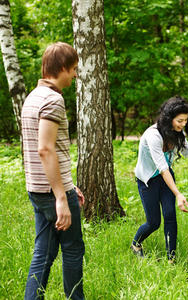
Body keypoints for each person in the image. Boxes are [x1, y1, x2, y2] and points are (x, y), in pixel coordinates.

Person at [21, 42, 85, 300]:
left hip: (37, 189)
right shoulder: (53, 99)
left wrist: (69, 185)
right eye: (73, 69)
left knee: (43, 252)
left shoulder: (33, 97)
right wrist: (61, 196)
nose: (75, 74)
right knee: (72, 249)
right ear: (61, 68)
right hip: (51, 192)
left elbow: (47, 151)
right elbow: (45, 150)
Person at [131, 96, 188, 263]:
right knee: (153, 222)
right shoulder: (153, 136)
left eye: (185, 120)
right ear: (169, 118)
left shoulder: (177, 132)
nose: (183, 124)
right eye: (179, 120)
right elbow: (162, 168)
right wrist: (178, 194)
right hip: (148, 181)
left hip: (166, 179)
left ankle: (171, 259)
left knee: (170, 217)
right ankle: (136, 244)